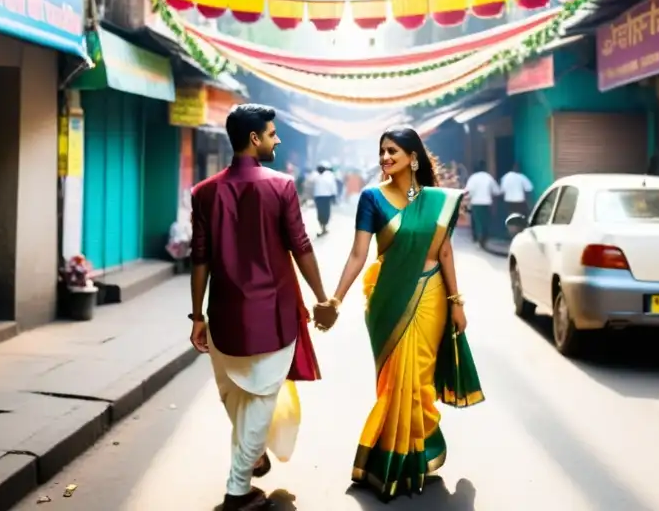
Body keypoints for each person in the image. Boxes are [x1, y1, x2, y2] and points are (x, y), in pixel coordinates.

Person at [314, 126, 484, 501]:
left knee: (419, 378)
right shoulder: (372, 198)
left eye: (392, 151)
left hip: (432, 295)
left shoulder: (437, 200)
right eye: (382, 151)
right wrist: (336, 300)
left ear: (413, 157)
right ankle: (389, 458)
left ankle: (415, 454)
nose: (385, 158)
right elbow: (359, 254)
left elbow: (444, 253)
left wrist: (457, 302)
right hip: (388, 300)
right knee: (394, 381)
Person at [189, 104, 339, 511]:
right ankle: (238, 490)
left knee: (237, 395)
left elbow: (198, 259)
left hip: (223, 314)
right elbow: (301, 246)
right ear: (254, 139)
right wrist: (322, 297)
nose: (277, 140)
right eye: (272, 134)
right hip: (272, 315)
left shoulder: (203, 192)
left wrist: (198, 316)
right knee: (260, 398)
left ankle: (253, 456)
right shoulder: (281, 186)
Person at [464, 161, 501, 248]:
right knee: (485, 221)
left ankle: (478, 237)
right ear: (485, 168)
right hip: (487, 203)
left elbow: (468, 192)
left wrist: (466, 199)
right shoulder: (488, 177)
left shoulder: (473, 178)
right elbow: (497, 191)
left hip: (476, 203)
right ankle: (484, 237)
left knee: (477, 221)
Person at [313, 162, 339, 236]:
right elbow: (333, 186)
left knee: (323, 212)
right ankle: (323, 228)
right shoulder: (317, 176)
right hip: (323, 197)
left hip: (323, 197)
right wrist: (334, 195)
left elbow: (333, 186)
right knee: (323, 212)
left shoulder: (328, 176)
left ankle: (324, 227)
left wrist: (334, 195)